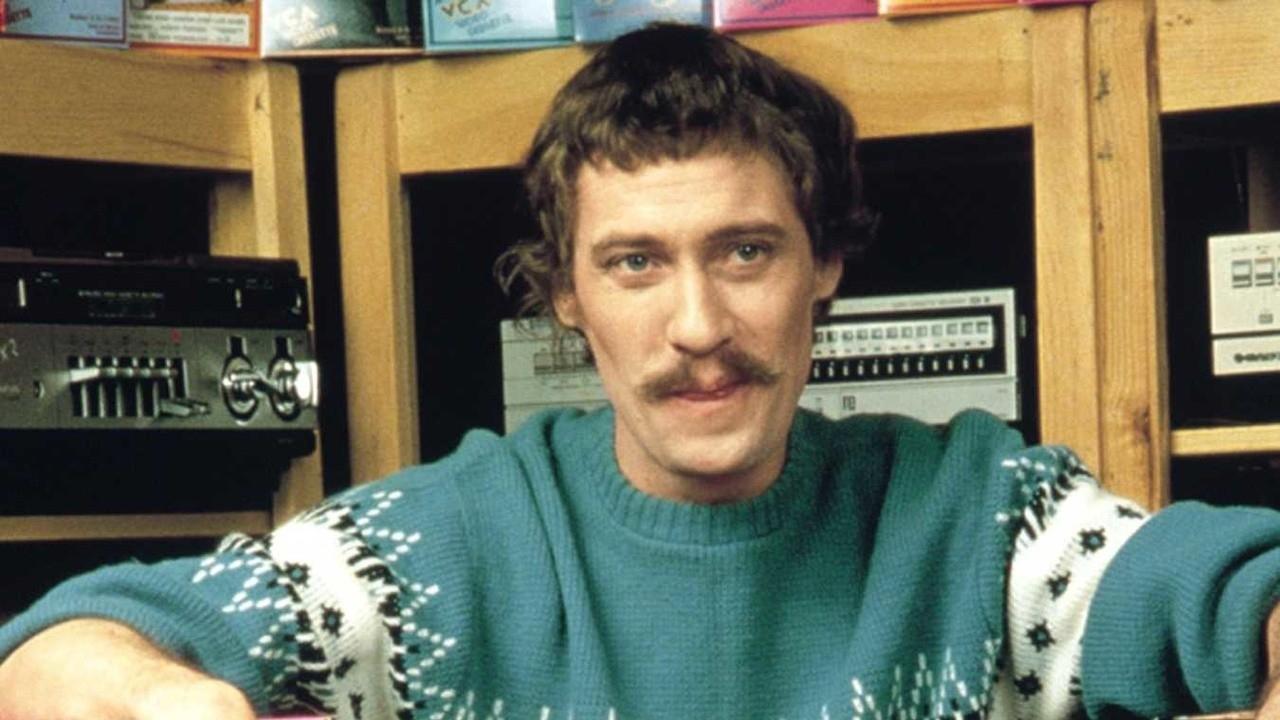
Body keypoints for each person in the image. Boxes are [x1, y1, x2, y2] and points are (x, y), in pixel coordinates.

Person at [3, 22, 1280, 720]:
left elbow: (1231, 590)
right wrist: (160, 699)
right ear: (564, 294)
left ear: (824, 264)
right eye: (633, 264)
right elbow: (61, 650)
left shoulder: (978, 522)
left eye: (744, 251)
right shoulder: (434, 552)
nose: (696, 325)